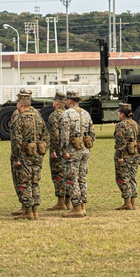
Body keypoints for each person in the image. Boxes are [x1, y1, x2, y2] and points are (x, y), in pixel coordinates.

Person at [9, 90, 46, 220]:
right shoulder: (38, 116)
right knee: (35, 182)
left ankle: (28, 211)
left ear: (20, 104)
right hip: (37, 152)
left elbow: (16, 141)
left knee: (24, 182)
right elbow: (45, 135)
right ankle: (35, 211)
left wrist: (16, 158)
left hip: (24, 154)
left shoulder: (19, 118)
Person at [59, 90, 96, 218]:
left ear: (69, 101)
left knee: (71, 178)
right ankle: (83, 206)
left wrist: (63, 150)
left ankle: (76, 207)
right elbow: (92, 133)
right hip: (84, 149)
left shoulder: (66, 114)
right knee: (82, 177)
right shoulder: (86, 114)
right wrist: (89, 148)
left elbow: (64, 135)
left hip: (72, 150)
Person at [113, 103, 140, 210]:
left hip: (125, 156)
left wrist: (120, 156)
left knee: (122, 178)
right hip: (135, 155)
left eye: (119, 113)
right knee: (131, 178)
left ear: (122, 114)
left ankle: (127, 202)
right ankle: (133, 202)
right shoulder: (135, 124)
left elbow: (120, 143)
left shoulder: (121, 125)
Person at [46, 91, 69, 211]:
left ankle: (61, 202)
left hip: (59, 150)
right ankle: (68, 201)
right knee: (68, 174)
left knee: (58, 175)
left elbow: (54, 135)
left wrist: (53, 150)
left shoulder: (55, 116)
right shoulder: (69, 114)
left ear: (57, 103)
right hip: (69, 150)